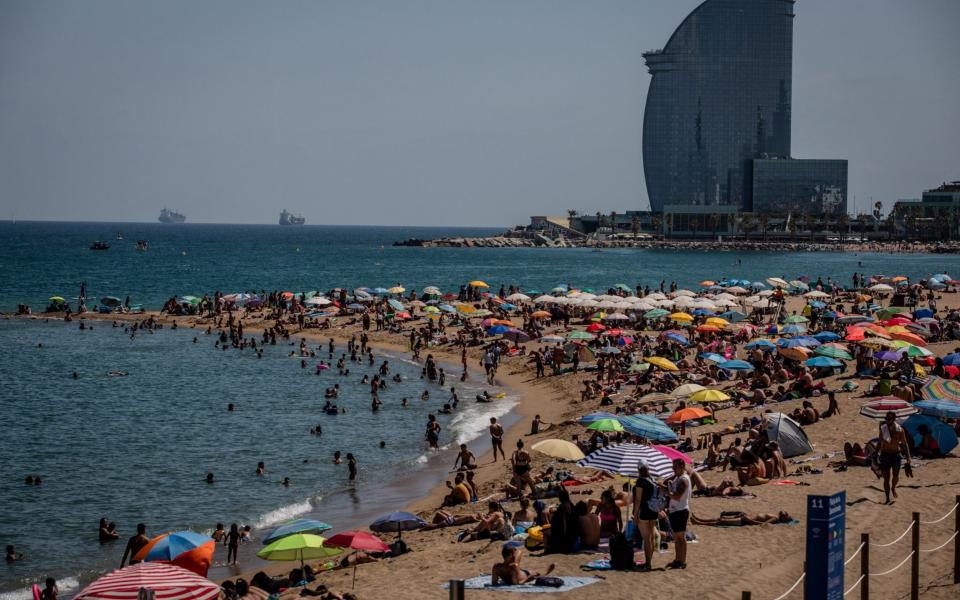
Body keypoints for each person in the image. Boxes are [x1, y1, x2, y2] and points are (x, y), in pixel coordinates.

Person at [878, 411, 911, 504]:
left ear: (894, 419)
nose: (887, 421)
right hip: (885, 455)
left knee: (895, 476)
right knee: (886, 478)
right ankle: (887, 497)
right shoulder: (883, 429)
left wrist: (908, 457)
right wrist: (876, 453)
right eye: (886, 419)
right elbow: (880, 442)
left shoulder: (899, 430)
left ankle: (893, 487)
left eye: (889, 419)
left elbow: (905, 444)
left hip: (896, 455)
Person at [631, 461, 659, 571]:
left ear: (638, 470)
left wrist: (635, 513)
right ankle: (649, 562)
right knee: (651, 537)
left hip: (644, 512)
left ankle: (647, 564)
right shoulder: (652, 479)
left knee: (646, 538)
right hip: (653, 510)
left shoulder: (640, 482)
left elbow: (638, 500)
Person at [663, 458, 690, 569]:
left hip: (681, 510)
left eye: (675, 467)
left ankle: (682, 561)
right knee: (677, 538)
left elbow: (677, 496)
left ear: (682, 466)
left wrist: (665, 491)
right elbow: (674, 491)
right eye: (673, 467)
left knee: (680, 537)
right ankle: (678, 559)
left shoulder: (683, 479)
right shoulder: (678, 478)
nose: (673, 469)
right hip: (675, 510)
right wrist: (668, 485)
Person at [491, 546, 555, 586]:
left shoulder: (496, 566)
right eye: (512, 555)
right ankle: (545, 573)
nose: (513, 556)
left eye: (513, 555)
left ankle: (545, 573)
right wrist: (528, 578)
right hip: (524, 575)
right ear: (509, 556)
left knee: (536, 574)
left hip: (523, 573)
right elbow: (516, 584)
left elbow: (494, 582)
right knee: (517, 564)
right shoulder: (510, 567)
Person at [691, 511, 793, 527]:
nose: (783, 511)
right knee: (720, 518)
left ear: (784, 518)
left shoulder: (775, 519)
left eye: (785, 514)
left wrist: (748, 520)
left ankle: (699, 522)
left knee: (721, 521)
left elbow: (762, 525)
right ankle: (700, 519)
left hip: (744, 521)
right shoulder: (775, 515)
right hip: (745, 517)